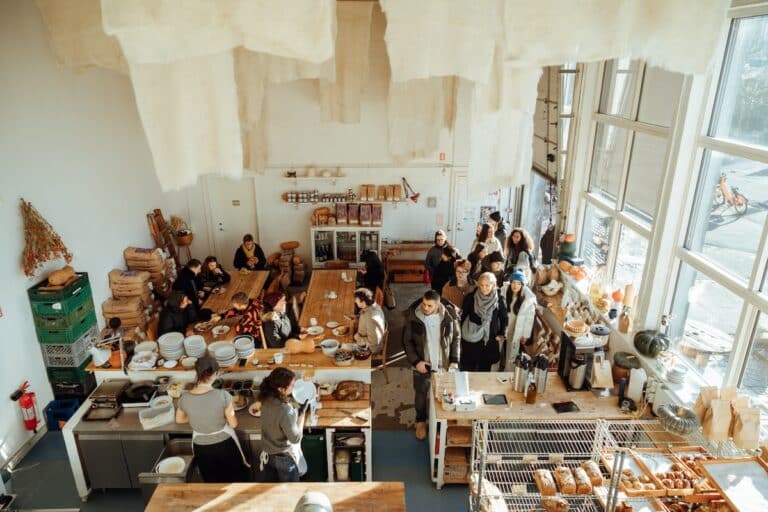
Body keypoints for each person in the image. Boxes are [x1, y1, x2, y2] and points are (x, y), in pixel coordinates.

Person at [176, 356, 249, 482]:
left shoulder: (185, 398)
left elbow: (179, 420)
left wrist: (196, 417)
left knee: (212, 483)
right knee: (235, 481)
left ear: (197, 373)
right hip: (225, 446)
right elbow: (233, 424)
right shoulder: (223, 395)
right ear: (215, 373)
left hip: (201, 449)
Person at [403, 289, 461, 440]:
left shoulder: (449, 316)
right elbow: (407, 341)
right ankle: (420, 422)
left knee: (444, 395)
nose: (425, 308)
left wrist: (454, 360)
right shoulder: (414, 317)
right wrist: (416, 362)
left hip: (444, 365)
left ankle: (440, 424)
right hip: (423, 364)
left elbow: (456, 338)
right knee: (421, 394)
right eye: (424, 304)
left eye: (429, 305)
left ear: (438, 305)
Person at [259, 367, 309, 482]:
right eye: (291, 385)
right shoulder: (285, 410)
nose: (293, 387)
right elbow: (295, 438)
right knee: (290, 490)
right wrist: (301, 415)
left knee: (274, 488)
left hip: (268, 455)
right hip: (284, 459)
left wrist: (292, 404)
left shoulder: (265, 398)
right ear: (281, 389)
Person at [459, 272, 507, 372]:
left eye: (487, 285)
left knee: (484, 371)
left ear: (493, 285)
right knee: (467, 370)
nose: (484, 288)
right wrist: (459, 335)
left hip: (488, 342)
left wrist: (502, 333)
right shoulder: (471, 297)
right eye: (481, 285)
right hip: (471, 340)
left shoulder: (499, 300)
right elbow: (462, 317)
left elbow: (504, 318)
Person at [501, 270, 537, 370]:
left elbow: (529, 318)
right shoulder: (503, 292)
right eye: (513, 282)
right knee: (497, 352)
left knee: (511, 355)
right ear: (510, 283)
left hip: (515, 330)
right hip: (502, 328)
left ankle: (508, 373)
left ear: (522, 285)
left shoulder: (527, 299)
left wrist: (525, 335)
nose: (515, 286)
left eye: (518, 283)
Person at [353, 288, 386, 354]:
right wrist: (358, 317)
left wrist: (358, 338)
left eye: (357, 299)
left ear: (363, 302)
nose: (355, 301)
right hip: (364, 337)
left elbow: (373, 342)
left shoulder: (370, 318)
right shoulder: (374, 305)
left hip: (370, 348)